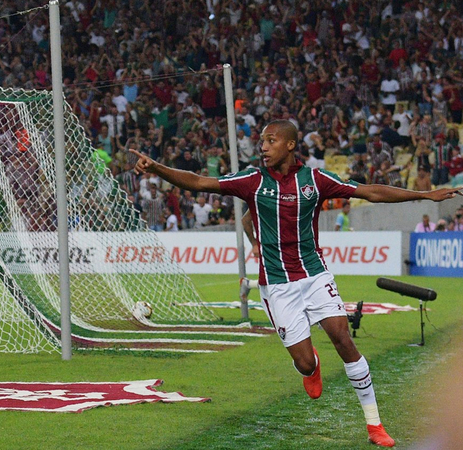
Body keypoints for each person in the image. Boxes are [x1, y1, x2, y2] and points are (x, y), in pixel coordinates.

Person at [131, 120, 461, 447]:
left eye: (270, 141)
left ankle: (375, 425)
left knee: (343, 338)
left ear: (290, 145)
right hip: (277, 285)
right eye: (261, 141)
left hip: (315, 275)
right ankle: (311, 366)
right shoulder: (252, 180)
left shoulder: (315, 179)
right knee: (304, 362)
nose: (263, 147)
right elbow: (199, 182)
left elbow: (369, 191)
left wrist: (425, 195)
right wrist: (157, 168)